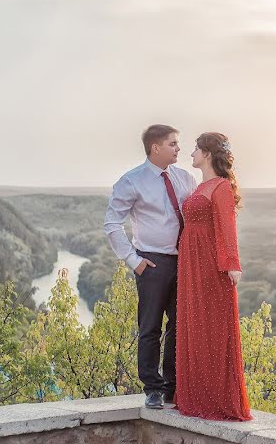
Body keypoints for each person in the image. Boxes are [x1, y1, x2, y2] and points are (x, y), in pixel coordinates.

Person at [104, 124, 197, 409]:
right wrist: (134, 261)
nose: (179, 148)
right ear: (155, 147)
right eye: (173, 144)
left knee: (180, 327)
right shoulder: (131, 181)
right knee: (150, 328)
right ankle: (152, 389)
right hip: (152, 263)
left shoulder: (185, 178)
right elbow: (111, 224)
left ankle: (172, 387)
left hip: (184, 263)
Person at [175, 132, 252, 421]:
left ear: (207, 154)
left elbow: (226, 227)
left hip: (208, 266)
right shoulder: (200, 186)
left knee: (210, 327)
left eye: (195, 148)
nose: (191, 153)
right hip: (190, 265)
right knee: (192, 324)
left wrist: (232, 265)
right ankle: (193, 396)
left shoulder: (220, 187)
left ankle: (214, 401)